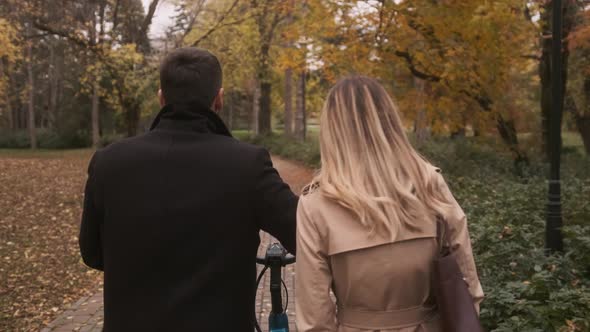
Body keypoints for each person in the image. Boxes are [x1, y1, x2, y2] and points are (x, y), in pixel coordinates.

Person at [79, 47, 298, 331]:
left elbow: (92, 254)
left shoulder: (108, 162)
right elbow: (303, 234)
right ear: (218, 99)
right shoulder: (247, 165)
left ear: (161, 97)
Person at [295, 76, 484, 331]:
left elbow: (315, 317)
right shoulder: (430, 184)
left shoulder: (315, 205)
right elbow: (466, 284)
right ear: (389, 122)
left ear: (333, 131)